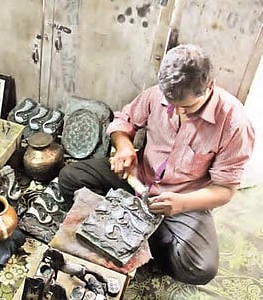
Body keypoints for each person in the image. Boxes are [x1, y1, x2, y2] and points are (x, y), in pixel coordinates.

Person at [58, 44, 255, 285]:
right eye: (171, 103)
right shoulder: (157, 94)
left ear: (210, 86)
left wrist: (181, 203)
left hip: (183, 197)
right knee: (69, 177)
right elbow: (123, 122)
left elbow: (225, 190)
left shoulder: (235, 124)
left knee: (201, 268)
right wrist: (124, 146)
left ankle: (139, 235)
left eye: (187, 107)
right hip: (139, 176)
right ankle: (128, 225)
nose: (177, 112)